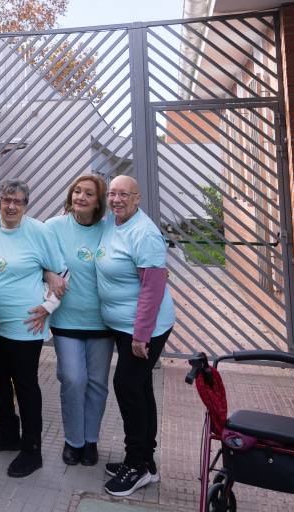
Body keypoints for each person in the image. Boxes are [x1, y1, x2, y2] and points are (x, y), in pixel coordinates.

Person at [0, 178, 67, 478]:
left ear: (26, 205)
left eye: (18, 201)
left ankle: (32, 450)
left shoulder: (39, 231)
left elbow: (61, 272)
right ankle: (8, 434)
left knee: (25, 386)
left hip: (26, 323)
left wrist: (49, 306)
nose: (12, 206)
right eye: (7, 200)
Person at [97, 175, 176, 497]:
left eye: (123, 194)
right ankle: (147, 460)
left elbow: (153, 288)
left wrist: (141, 335)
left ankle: (136, 465)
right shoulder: (113, 225)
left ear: (137, 198)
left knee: (127, 386)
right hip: (123, 326)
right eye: (112, 193)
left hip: (144, 329)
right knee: (141, 389)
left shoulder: (144, 233)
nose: (116, 199)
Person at [45, 174, 113, 468]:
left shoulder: (110, 229)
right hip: (67, 319)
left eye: (88, 194)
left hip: (103, 321)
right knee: (73, 380)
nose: (80, 197)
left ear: (98, 202)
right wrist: (49, 275)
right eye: (76, 191)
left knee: (97, 383)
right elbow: (38, 258)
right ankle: (73, 440)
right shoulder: (53, 227)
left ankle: (91, 440)